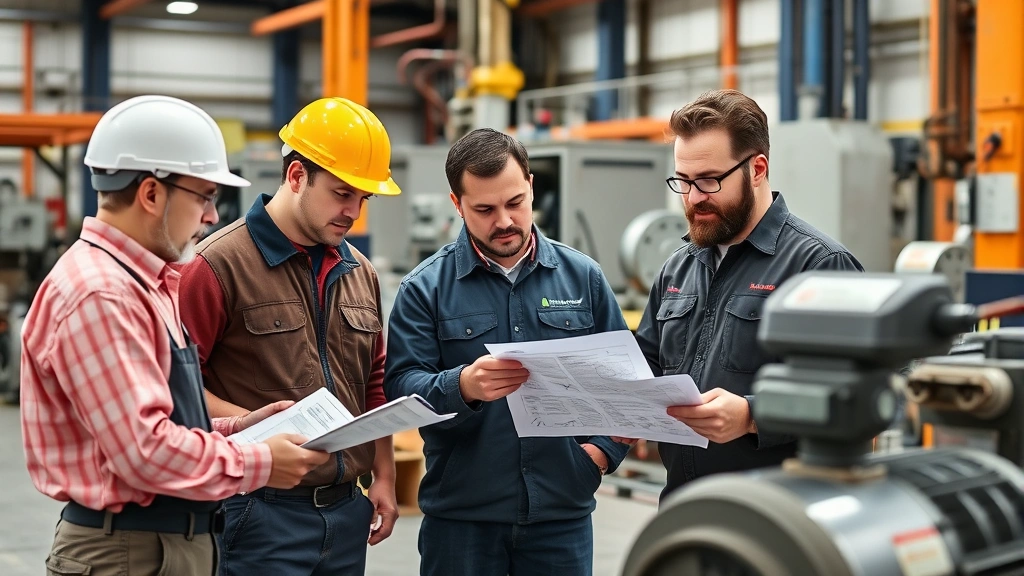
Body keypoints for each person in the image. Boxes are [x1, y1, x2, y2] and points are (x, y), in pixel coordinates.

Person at [20, 95, 330, 576]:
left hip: (162, 543)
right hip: (129, 552)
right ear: (151, 194)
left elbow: (163, 419)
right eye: (204, 195)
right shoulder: (101, 295)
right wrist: (259, 462)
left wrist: (239, 428)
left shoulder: (149, 284)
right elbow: (145, 452)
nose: (211, 215)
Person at [384, 128, 632, 576]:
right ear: (457, 205)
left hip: (561, 518)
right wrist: (462, 385)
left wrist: (599, 456)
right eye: (484, 209)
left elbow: (624, 385)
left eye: (515, 202)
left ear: (531, 187)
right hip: (462, 520)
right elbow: (401, 389)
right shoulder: (424, 289)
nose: (504, 220)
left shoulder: (583, 278)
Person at [177, 97, 401, 576]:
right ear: (297, 176)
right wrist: (249, 423)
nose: (354, 213)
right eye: (343, 193)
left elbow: (374, 383)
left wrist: (384, 475)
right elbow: (176, 388)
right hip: (256, 511)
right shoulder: (216, 265)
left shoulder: (359, 272)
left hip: (347, 513)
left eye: (364, 199)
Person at [634, 89, 864, 501]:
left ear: (757, 169)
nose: (692, 198)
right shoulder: (678, 267)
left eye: (708, 181)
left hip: (783, 519)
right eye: (682, 182)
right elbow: (645, 365)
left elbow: (863, 393)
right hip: (685, 508)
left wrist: (754, 416)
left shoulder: (819, 266)